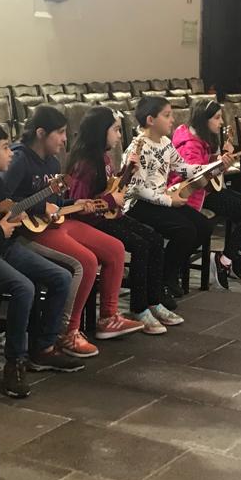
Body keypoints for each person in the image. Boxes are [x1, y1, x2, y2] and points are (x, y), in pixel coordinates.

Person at [0, 121, 89, 398]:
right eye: (4, 147)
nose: (11, 152)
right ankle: (15, 361)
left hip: (5, 247)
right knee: (24, 287)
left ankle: (44, 348)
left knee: (61, 276)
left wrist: (19, 215)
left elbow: (8, 212)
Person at [4, 105, 131, 355]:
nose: (65, 139)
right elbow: (3, 201)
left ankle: (108, 316)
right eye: (60, 132)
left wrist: (78, 203)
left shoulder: (52, 161)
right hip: (26, 231)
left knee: (115, 248)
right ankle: (67, 331)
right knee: (86, 261)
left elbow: (57, 202)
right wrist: (42, 206)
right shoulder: (19, 159)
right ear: (41, 133)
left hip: (52, 222)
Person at [65, 106, 173, 334]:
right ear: (100, 131)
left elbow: (108, 186)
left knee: (154, 239)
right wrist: (110, 200)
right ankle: (139, 308)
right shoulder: (84, 163)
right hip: (93, 222)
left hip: (108, 216)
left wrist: (126, 173)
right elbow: (78, 205)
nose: (119, 135)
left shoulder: (102, 157)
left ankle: (153, 300)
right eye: (115, 130)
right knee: (140, 245)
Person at [125, 96, 216, 300]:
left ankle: (167, 270)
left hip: (160, 199)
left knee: (203, 226)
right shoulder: (139, 147)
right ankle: (163, 278)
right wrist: (169, 201)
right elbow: (137, 188)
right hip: (139, 204)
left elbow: (182, 168)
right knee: (185, 230)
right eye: (167, 115)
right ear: (150, 120)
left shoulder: (165, 142)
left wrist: (212, 168)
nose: (172, 120)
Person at [172, 99, 241, 287]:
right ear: (203, 119)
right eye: (217, 118)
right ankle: (224, 260)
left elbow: (205, 165)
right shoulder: (189, 145)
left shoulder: (198, 137)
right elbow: (197, 179)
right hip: (196, 196)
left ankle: (234, 258)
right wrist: (221, 164)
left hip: (208, 191)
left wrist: (219, 160)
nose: (221, 122)